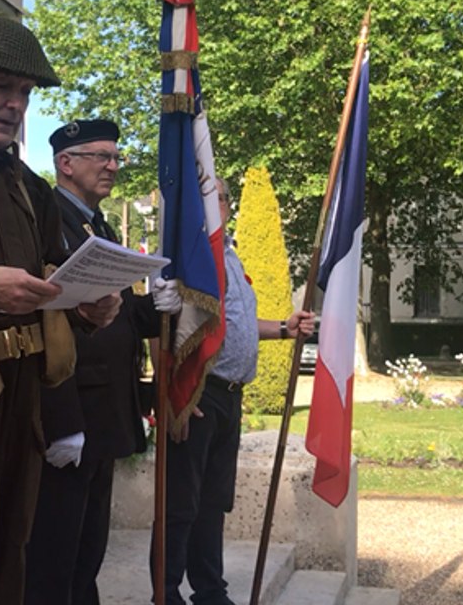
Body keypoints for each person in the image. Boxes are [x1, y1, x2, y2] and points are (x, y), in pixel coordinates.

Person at [0, 17, 122, 605]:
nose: (14, 104)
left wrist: (85, 305)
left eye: (25, 93)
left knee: (12, 563)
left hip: (23, 403)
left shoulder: (23, 182)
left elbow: (48, 272)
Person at [25, 119, 182, 605]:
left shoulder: (100, 223)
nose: (113, 166)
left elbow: (109, 313)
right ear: (65, 163)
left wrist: (152, 305)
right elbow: (45, 322)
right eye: (100, 156)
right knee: (55, 554)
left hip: (105, 411)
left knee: (88, 549)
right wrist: (61, 417)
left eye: (116, 157)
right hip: (72, 411)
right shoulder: (44, 215)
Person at [154, 176, 316, 605]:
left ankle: (209, 592)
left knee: (213, 504)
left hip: (229, 396)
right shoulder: (187, 259)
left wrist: (284, 328)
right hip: (198, 396)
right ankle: (165, 593)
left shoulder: (228, 257)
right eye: (209, 198)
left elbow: (235, 327)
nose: (218, 205)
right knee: (180, 507)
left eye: (222, 198)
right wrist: (174, 397)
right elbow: (161, 330)